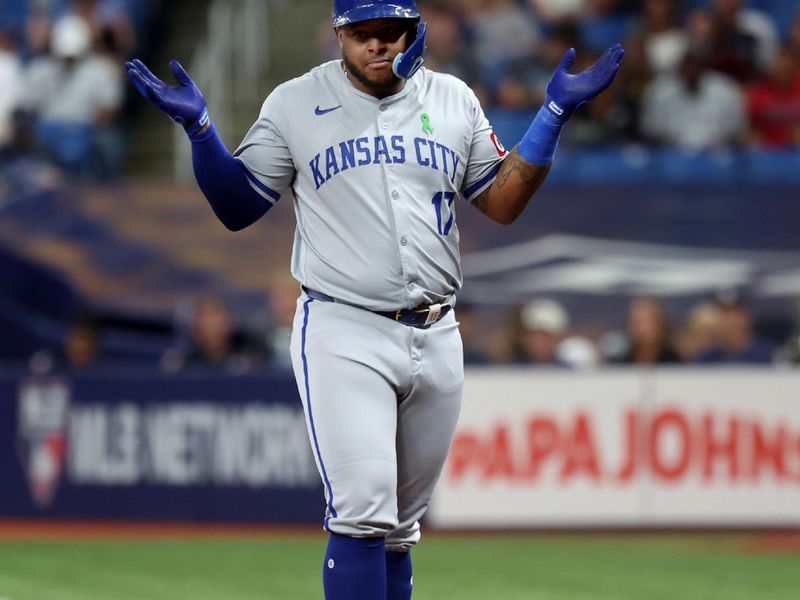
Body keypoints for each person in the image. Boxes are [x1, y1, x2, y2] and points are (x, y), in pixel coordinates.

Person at [125, 1, 623, 597]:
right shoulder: (294, 102)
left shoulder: (452, 98)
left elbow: (502, 201)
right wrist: (202, 132)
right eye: (362, 33)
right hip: (345, 327)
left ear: (415, 31)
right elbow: (238, 207)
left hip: (437, 331)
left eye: (390, 31)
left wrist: (552, 114)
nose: (376, 45)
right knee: (363, 511)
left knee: (398, 531)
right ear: (339, 35)